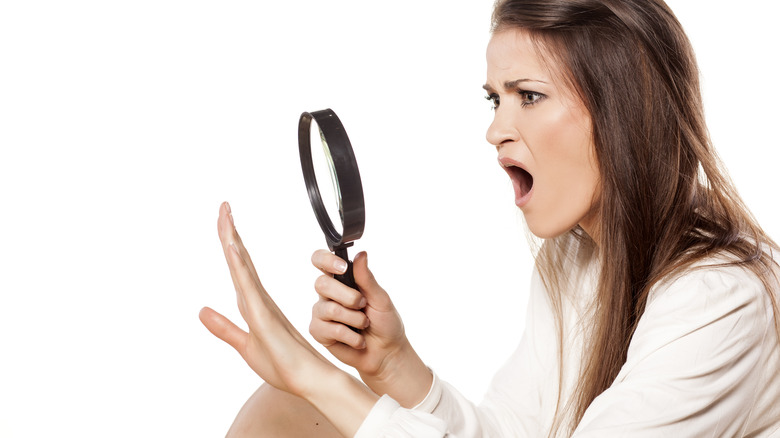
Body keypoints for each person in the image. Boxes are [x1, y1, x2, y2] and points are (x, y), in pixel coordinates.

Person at [199, 0, 780, 436]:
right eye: (494, 99)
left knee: (309, 397)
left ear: (620, 113)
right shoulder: (575, 258)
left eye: (528, 95)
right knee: (285, 408)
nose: (495, 129)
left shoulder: (719, 298)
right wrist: (394, 365)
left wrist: (317, 376)